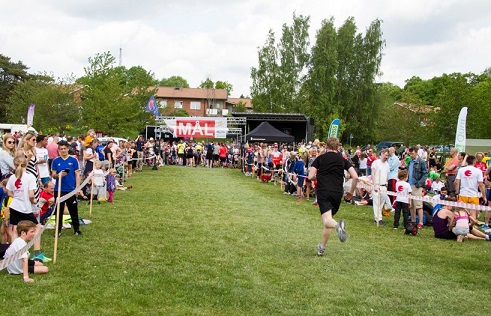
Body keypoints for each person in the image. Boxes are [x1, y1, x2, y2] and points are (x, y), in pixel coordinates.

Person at [308, 137, 358, 256]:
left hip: (324, 190)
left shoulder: (320, 158)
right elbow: (355, 177)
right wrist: (351, 192)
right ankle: (322, 247)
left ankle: (338, 226)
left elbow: (310, 176)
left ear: (326, 146)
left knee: (328, 221)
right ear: (338, 147)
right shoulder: (343, 160)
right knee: (329, 219)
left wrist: (318, 178)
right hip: (337, 192)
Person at [6, 155, 50, 262]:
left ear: (15, 165)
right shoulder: (30, 177)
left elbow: (9, 192)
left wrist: (16, 196)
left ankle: (13, 254)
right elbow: (31, 195)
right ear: (26, 164)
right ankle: (37, 253)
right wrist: (34, 201)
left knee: (16, 229)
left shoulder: (12, 177)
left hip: (14, 206)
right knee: (37, 228)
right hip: (25, 208)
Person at [51, 141, 83, 236]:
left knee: (73, 210)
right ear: (59, 150)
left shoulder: (73, 160)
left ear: (68, 149)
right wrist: (58, 175)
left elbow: (77, 175)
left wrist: (77, 188)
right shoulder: (56, 161)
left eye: (65, 148)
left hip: (71, 189)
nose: (63, 150)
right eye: (61, 149)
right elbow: (53, 175)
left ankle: (76, 229)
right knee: (58, 211)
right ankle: (58, 230)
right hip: (59, 189)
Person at [454, 155, 487, 219]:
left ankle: (463, 224)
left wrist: (457, 193)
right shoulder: (478, 171)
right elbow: (481, 185)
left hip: (463, 193)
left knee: (462, 211)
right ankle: (472, 226)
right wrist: (484, 196)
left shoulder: (461, 170)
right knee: (473, 212)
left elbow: (456, 182)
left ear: (466, 162)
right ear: (474, 162)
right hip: (474, 195)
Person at [407, 146, 428, 229]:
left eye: (412, 153)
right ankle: (413, 220)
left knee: (418, 205)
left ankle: (420, 222)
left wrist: (419, 184)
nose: (411, 155)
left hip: (416, 185)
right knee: (411, 205)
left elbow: (425, 174)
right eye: (410, 153)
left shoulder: (421, 162)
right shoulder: (410, 162)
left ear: (416, 152)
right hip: (409, 185)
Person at [371, 148, 390, 226]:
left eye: (388, 156)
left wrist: (386, 184)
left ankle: (380, 217)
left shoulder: (387, 164)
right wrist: (374, 185)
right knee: (376, 203)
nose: (386, 157)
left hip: (383, 186)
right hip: (376, 185)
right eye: (385, 155)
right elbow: (373, 173)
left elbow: (386, 176)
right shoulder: (376, 163)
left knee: (381, 203)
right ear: (382, 154)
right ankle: (377, 218)